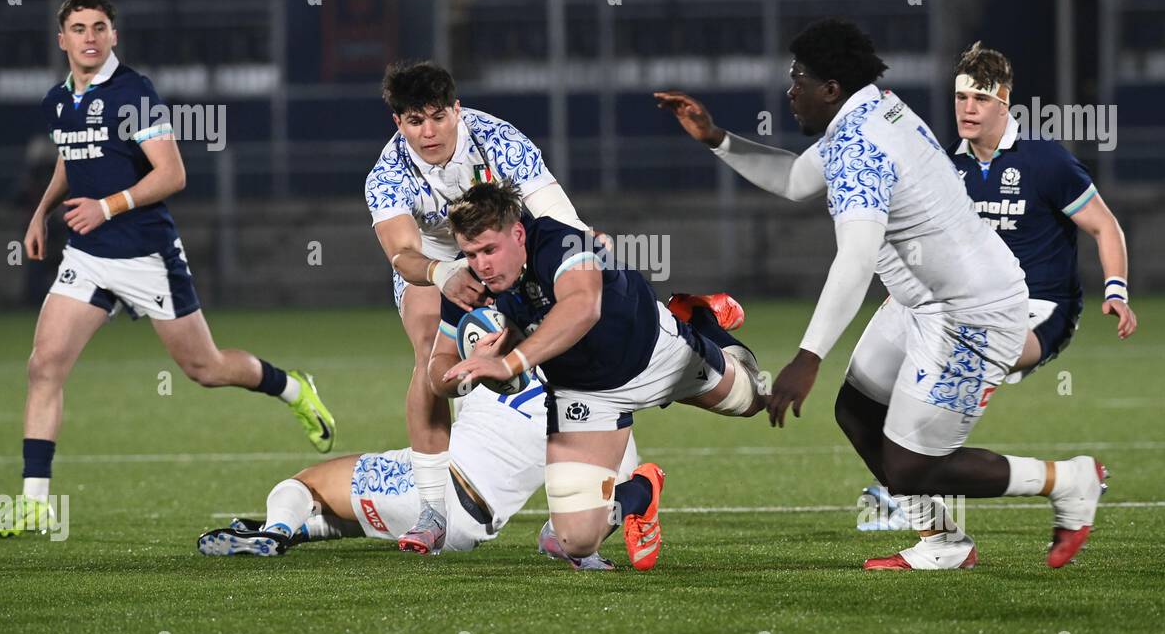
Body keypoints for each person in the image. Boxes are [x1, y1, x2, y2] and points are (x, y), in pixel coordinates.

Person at [654, 17, 1107, 570]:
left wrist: (808, 356)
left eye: (798, 79)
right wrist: (717, 138)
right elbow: (796, 179)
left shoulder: (861, 144)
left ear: (831, 88)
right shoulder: (873, 107)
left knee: (914, 465)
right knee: (858, 412)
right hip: (923, 300)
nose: (790, 91)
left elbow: (856, 259)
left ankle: (1069, 481)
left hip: (972, 313)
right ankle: (943, 543)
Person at [0, 0, 335, 538]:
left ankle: (291, 388)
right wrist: (40, 213)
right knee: (44, 365)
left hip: (146, 255)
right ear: (62, 40)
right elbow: (70, 158)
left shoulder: (135, 93)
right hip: (88, 257)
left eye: (99, 27)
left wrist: (106, 207)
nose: (90, 38)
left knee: (205, 369)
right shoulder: (58, 100)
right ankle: (35, 502)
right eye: (78, 28)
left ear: (114, 35)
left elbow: (172, 174)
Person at [860, 41, 1138, 529]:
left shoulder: (1044, 160)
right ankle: (919, 501)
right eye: (961, 97)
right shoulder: (948, 166)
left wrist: (1116, 290)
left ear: (1005, 102)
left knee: (935, 391)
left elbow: (1104, 225)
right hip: (968, 302)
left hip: (1040, 309)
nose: (968, 108)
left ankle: (929, 492)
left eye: (981, 99)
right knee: (865, 398)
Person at [431, 181, 768, 570]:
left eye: (490, 250)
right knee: (575, 541)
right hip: (583, 393)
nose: (482, 265)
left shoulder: (560, 243)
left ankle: (702, 320)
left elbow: (582, 307)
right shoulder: (468, 282)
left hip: (655, 355)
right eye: (471, 254)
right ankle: (642, 491)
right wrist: (467, 373)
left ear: (518, 234)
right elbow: (437, 371)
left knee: (756, 397)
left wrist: (509, 364)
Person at [364, 61, 588, 551]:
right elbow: (402, 254)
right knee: (430, 351)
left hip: (504, 251)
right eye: (415, 121)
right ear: (398, 123)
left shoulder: (499, 140)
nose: (429, 132)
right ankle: (432, 510)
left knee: (561, 345)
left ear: (457, 110)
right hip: (434, 263)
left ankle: (572, 508)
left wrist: (586, 250)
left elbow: (558, 217)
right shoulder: (386, 175)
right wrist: (444, 274)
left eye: (438, 117)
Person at [197, 377, 638, 570]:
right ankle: (294, 532)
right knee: (368, 515)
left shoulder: (496, 343)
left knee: (305, 483)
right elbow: (557, 535)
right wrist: (584, 544)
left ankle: (275, 531)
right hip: (470, 530)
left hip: (437, 489)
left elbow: (435, 396)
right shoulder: (609, 412)